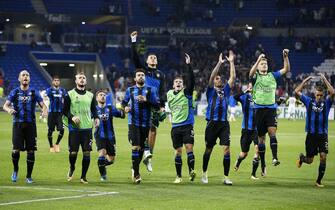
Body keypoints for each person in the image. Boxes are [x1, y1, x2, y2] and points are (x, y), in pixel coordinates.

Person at [249, 49, 290, 176]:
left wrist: (285, 56)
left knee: (272, 132)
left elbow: (286, 69)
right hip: (259, 110)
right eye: (262, 63)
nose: (264, 65)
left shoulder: (273, 75)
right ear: (258, 66)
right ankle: (263, 164)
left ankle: (275, 158)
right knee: (261, 140)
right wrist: (258, 59)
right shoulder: (256, 77)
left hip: (271, 109)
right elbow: (250, 73)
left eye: (265, 63)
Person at [130, 31, 166, 172]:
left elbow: (162, 91)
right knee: (145, 131)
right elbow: (135, 58)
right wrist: (133, 41)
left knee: (153, 130)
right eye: (150, 57)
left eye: (154, 57)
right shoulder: (143, 71)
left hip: (154, 104)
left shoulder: (161, 74)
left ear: (156, 61)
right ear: (146, 61)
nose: (153, 58)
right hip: (142, 104)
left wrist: (162, 106)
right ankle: (141, 159)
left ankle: (148, 156)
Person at [3, 70, 47, 183]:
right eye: (23, 75)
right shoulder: (15, 92)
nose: (25, 77)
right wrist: (9, 109)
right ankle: (15, 170)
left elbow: (43, 106)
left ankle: (28, 176)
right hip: (17, 124)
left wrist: (44, 111)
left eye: (27, 75)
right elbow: (5, 105)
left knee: (31, 151)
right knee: (15, 150)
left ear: (29, 79)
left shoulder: (34, 92)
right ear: (19, 79)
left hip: (31, 125)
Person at [201, 51, 236, 185]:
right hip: (212, 123)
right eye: (217, 78)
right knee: (208, 149)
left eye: (220, 78)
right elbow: (211, 76)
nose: (219, 79)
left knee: (226, 148)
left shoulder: (226, 90)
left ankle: (226, 177)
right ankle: (204, 173)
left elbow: (232, 78)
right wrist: (220, 63)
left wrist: (231, 62)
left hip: (224, 124)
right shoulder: (210, 91)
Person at [295, 74, 334, 187]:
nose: (319, 97)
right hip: (311, 135)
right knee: (310, 160)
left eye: (321, 95)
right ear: (314, 94)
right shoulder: (309, 101)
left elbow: (333, 93)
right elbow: (297, 91)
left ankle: (318, 181)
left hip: (322, 135)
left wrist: (325, 79)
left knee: (323, 157)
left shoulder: (327, 102)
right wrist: (305, 81)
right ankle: (302, 158)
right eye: (318, 95)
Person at [121, 69, 160, 184]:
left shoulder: (151, 90)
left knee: (142, 148)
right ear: (135, 78)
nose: (141, 77)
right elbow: (123, 103)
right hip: (133, 122)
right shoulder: (130, 90)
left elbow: (157, 105)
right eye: (138, 75)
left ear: (145, 78)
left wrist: (146, 100)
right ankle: (137, 174)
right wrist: (125, 108)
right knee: (135, 146)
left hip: (146, 123)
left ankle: (134, 168)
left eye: (142, 75)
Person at [63, 72, 100, 184]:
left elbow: (94, 109)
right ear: (76, 81)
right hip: (74, 128)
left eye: (84, 78)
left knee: (87, 153)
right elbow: (64, 110)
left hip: (87, 128)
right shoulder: (69, 94)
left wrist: (97, 118)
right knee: (73, 153)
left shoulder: (90, 95)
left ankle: (83, 177)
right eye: (80, 78)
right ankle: (72, 167)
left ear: (86, 81)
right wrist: (72, 117)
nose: (82, 79)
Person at [167, 53, 196, 184]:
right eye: (176, 82)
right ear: (173, 85)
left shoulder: (187, 93)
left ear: (183, 85)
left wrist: (189, 65)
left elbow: (192, 81)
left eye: (180, 82)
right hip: (175, 127)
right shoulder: (169, 94)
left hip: (187, 126)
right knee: (178, 151)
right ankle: (178, 176)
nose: (178, 83)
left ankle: (191, 171)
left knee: (189, 148)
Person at [94, 89, 125, 181]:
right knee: (102, 152)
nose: (103, 96)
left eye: (104, 95)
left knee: (111, 160)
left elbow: (122, 115)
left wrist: (123, 109)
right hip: (100, 135)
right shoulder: (94, 109)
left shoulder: (110, 108)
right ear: (96, 98)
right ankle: (103, 176)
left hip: (111, 136)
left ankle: (101, 164)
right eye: (100, 95)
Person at [233, 83, 259, 180]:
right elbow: (235, 97)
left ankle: (253, 174)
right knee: (244, 153)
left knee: (257, 150)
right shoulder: (244, 97)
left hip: (256, 130)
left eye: (253, 86)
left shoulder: (259, 98)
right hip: (246, 130)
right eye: (250, 86)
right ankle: (238, 161)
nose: (251, 88)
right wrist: (245, 92)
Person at [45, 75, 67, 152]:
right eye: (55, 80)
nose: (56, 82)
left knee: (62, 130)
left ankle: (57, 144)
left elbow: (66, 100)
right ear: (53, 82)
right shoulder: (49, 90)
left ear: (59, 82)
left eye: (58, 80)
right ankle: (51, 146)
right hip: (51, 113)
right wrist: (45, 109)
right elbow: (45, 99)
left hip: (60, 114)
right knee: (50, 130)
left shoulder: (63, 90)